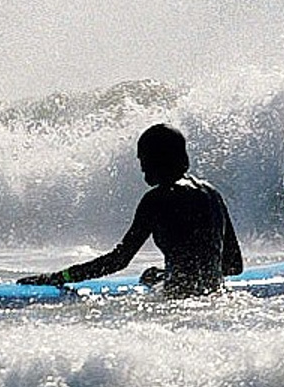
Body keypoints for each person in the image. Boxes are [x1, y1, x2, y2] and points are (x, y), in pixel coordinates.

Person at [19, 122, 242, 298]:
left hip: (178, 300)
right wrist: (171, 274)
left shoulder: (158, 199)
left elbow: (119, 260)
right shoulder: (212, 194)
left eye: (143, 158)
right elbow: (234, 266)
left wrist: (59, 276)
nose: (142, 167)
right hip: (215, 297)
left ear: (158, 159)